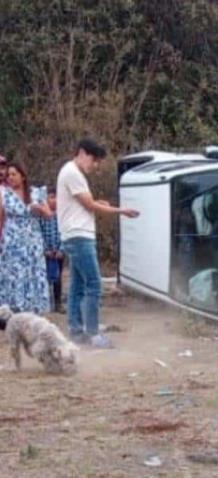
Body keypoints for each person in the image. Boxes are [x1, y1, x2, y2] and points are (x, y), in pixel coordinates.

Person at [57, 138, 140, 348]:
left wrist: (99, 204)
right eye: (95, 160)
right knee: (94, 284)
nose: (95, 166)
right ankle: (93, 334)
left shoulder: (71, 173)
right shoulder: (72, 173)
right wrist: (121, 211)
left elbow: (86, 204)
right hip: (79, 236)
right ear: (83, 153)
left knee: (77, 286)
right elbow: (88, 204)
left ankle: (77, 330)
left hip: (75, 234)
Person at [0, 162, 53, 313]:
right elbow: (1, 218)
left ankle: (34, 307)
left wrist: (40, 209)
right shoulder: (3, 193)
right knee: (13, 273)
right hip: (12, 241)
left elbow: (49, 215)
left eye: (13, 174)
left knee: (33, 271)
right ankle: (13, 309)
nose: (10, 178)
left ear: (22, 176)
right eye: (8, 175)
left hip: (32, 241)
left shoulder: (36, 193)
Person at [39, 183, 65, 313]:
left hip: (58, 252)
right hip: (46, 252)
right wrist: (45, 250)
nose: (54, 200)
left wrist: (61, 249)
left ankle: (58, 303)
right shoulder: (42, 216)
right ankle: (45, 302)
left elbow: (65, 233)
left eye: (57, 197)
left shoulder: (63, 215)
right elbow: (39, 234)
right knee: (44, 277)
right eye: (51, 197)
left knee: (58, 277)